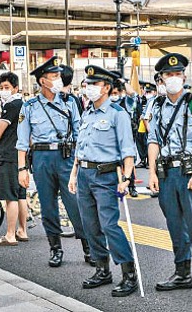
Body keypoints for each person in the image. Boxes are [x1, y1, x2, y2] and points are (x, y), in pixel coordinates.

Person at [147, 53, 192, 306]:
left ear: (184, 77)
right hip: (167, 173)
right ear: (161, 79)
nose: (174, 78)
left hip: (190, 173)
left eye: (177, 74)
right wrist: (153, 172)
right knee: (175, 226)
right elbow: (153, 140)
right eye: (169, 75)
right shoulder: (156, 106)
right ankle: (182, 273)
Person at [68, 65, 139, 297]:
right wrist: (74, 173)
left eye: (94, 84)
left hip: (106, 175)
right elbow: (81, 148)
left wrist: (126, 178)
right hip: (85, 175)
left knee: (109, 224)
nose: (89, 88)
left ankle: (129, 273)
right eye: (87, 84)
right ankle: (102, 269)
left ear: (107, 87)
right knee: (90, 225)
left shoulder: (118, 114)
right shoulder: (87, 114)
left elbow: (128, 149)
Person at [16, 56, 91, 267]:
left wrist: (79, 163)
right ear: (42, 81)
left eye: (59, 75)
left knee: (74, 203)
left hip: (66, 157)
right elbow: (22, 141)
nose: (59, 80)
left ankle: (88, 247)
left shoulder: (70, 103)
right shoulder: (29, 106)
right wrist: (22, 168)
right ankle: (55, 248)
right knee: (48, 205)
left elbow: (79, 135)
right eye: (54, 76)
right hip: (41, 159)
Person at [0, 72, 29, 246]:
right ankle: (22, 230)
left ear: (15, 88)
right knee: (21, 195)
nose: (3, 91)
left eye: (7, 88)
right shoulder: (24, 105)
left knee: (10, 197)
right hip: (21, 156)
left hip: (8, 155)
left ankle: (10, 234)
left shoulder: (11, 105)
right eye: (1, 88)